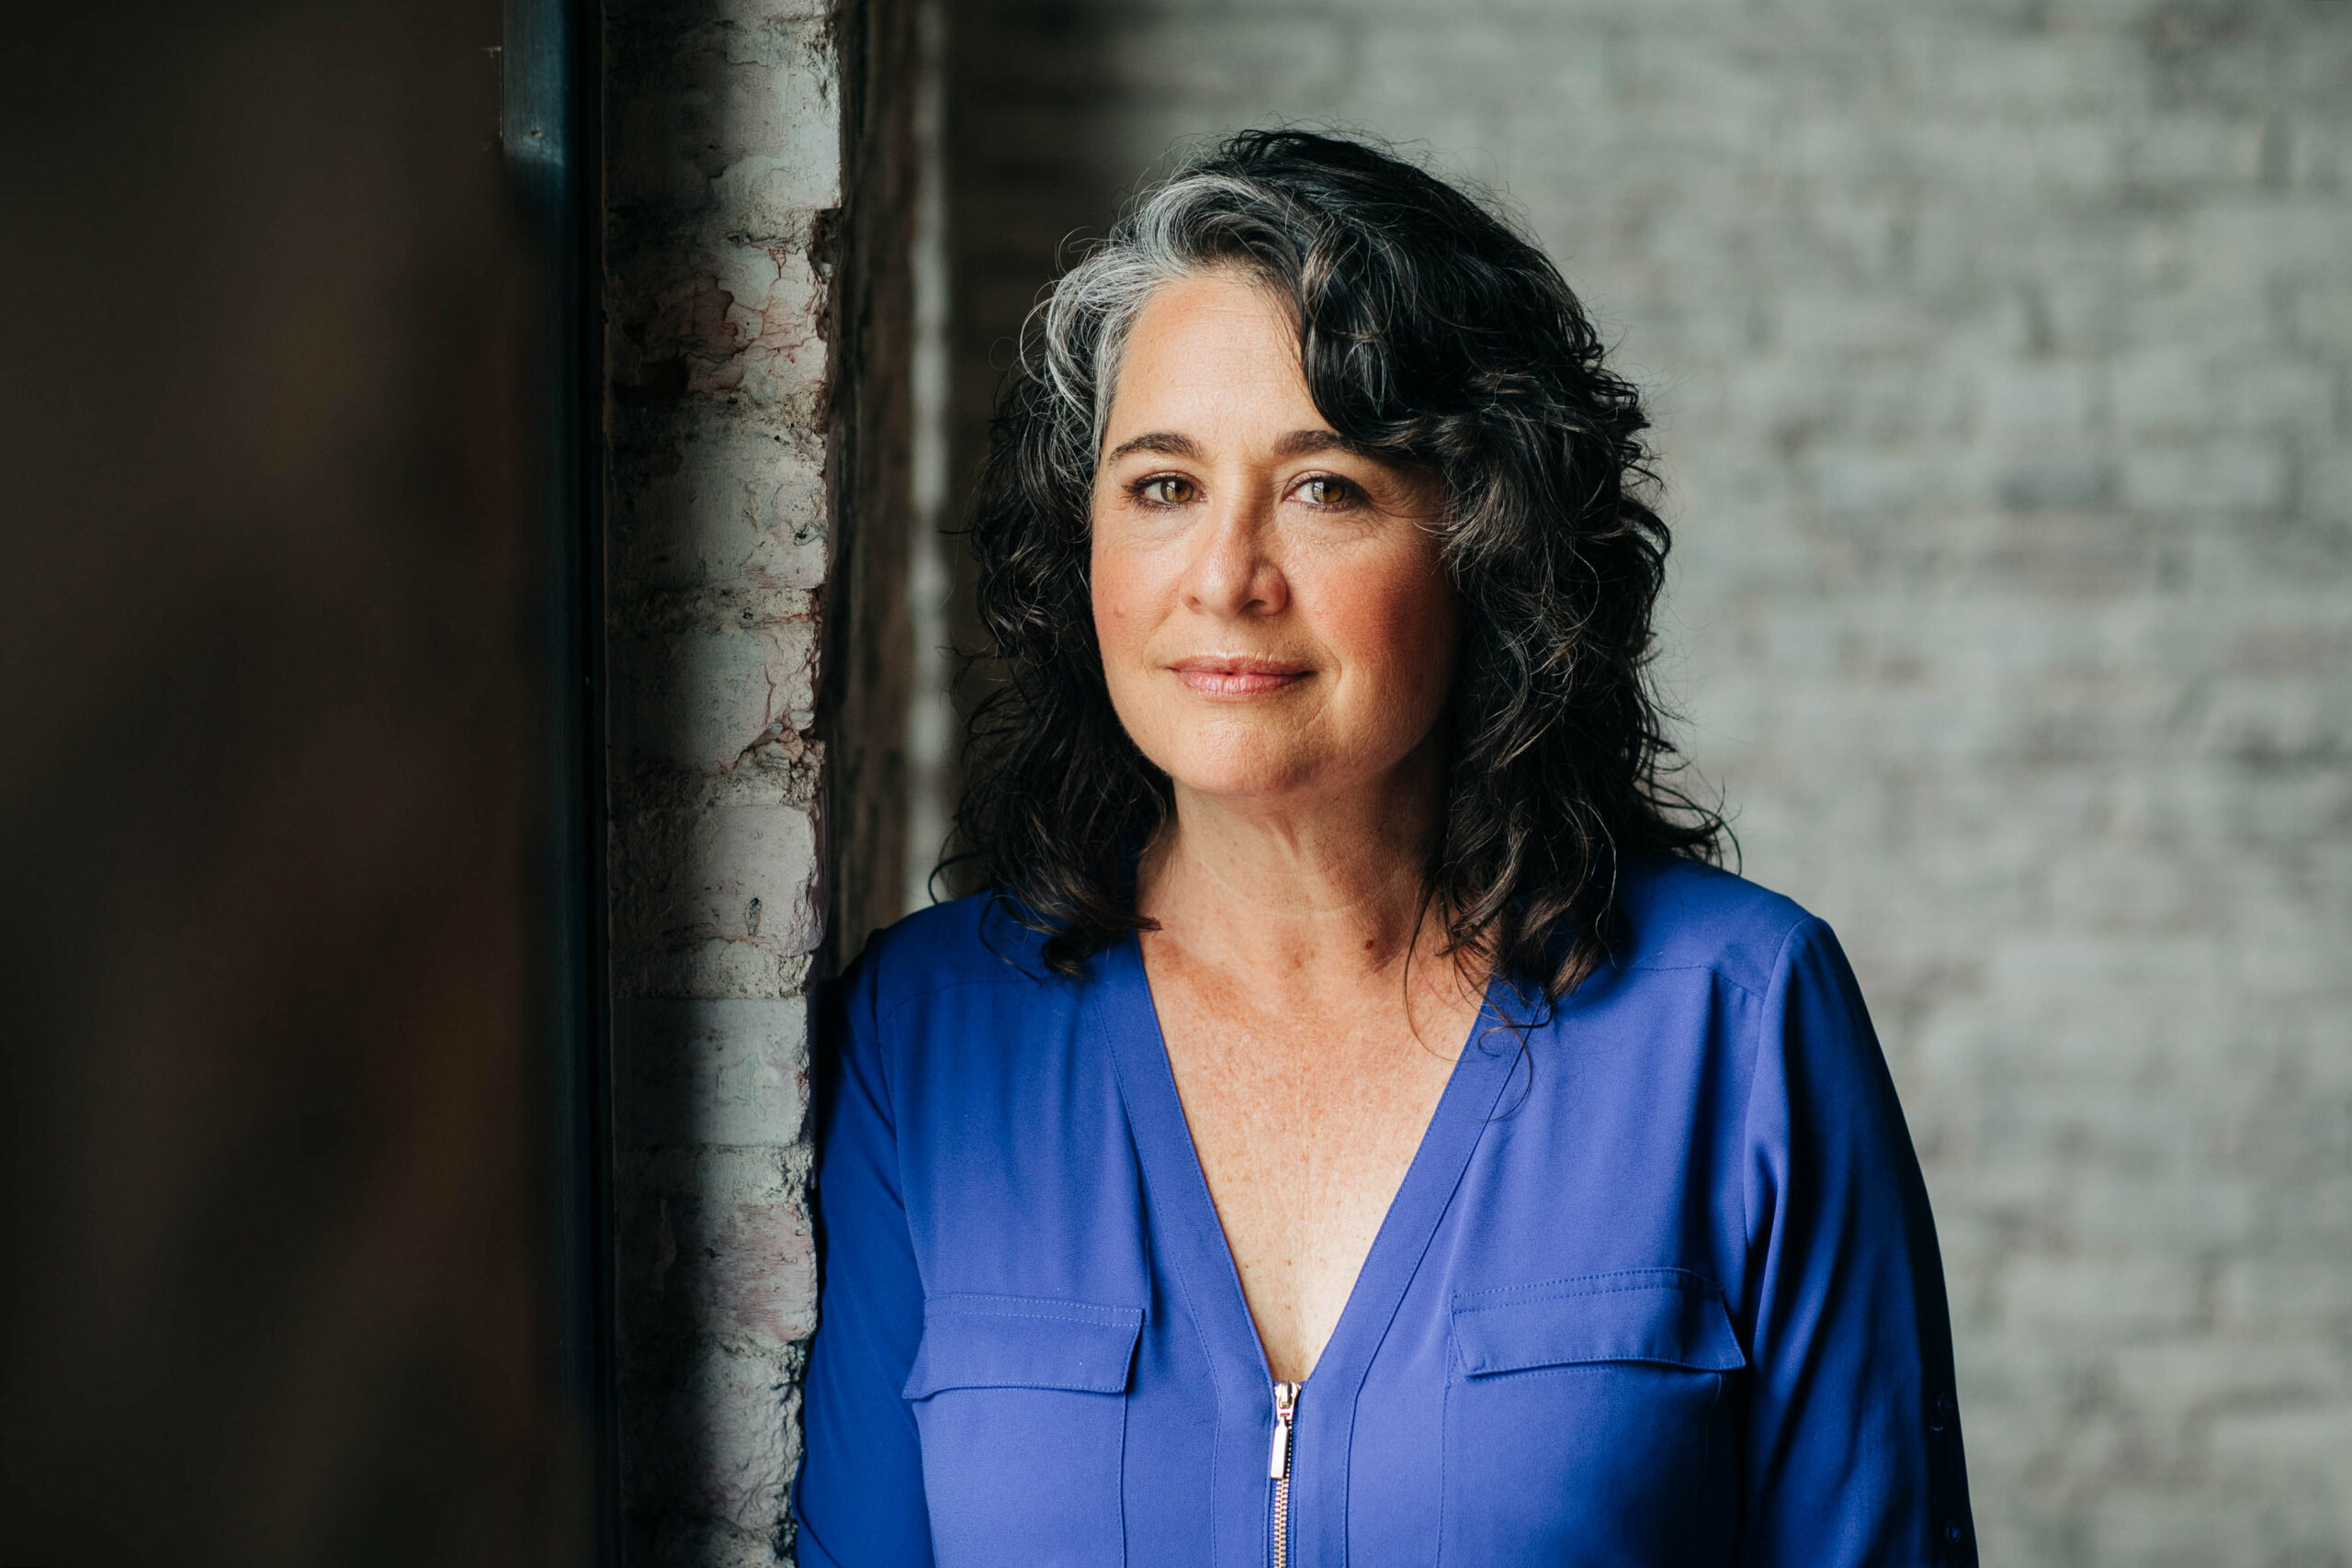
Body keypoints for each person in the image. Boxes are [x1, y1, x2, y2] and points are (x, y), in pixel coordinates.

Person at [793, 130, 1974, 1567]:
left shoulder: (1738, 1025)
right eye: (1161, 486)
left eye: (1325, 488)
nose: (1227, 578)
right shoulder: (921, 1043)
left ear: (1490, 544)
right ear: (1080, 541)